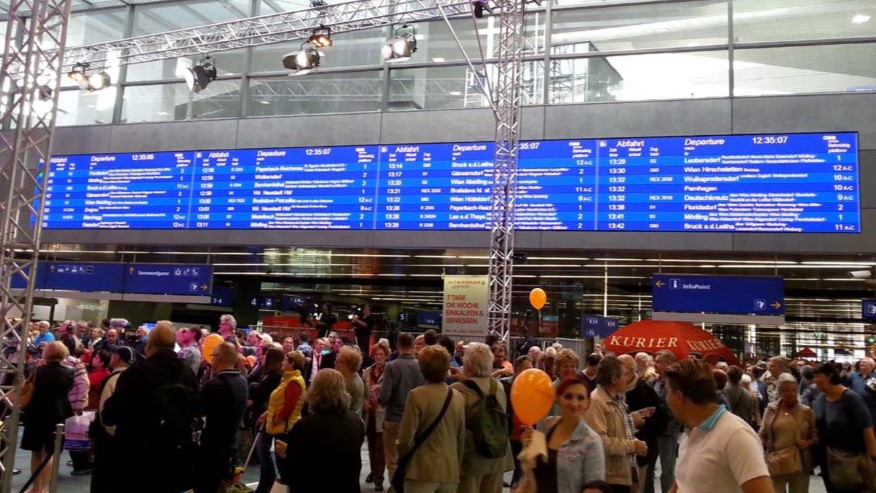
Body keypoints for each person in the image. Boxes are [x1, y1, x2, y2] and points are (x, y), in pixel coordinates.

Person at [101, 322, 200, 493]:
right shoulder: (187, 372)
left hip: (137, 454)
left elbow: (111, 414)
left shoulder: (137, 372)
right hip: (175, 453)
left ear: (149, 346)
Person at [665, 359, 772, 493]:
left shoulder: (736, 435)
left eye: (668, 391)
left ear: (678, 397)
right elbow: (682, 483)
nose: (666, 398)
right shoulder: (691, 432)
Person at [397, 345, 466, 493]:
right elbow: (460, 439)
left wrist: (403, 459)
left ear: (422, 368)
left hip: (421, 470)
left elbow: (405, 439)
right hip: (449, 471)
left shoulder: (416, 395)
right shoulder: (458, 396)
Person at [519, 375, 606, 493]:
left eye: (581, 398)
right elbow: (531, 471)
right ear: (558, 399)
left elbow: (595, 489)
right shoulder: (546, 428)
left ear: (588, 403)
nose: (574, 403)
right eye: (568, 396)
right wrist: (527, 448)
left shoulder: (592, 442)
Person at [285, 369, 365, 492]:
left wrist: (287, 452)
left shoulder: (304, 427)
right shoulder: (357, 422)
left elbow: (295, 471)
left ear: (315, 390)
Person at [451, 342, 514, 493]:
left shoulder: (457, 391)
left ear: (468, 365)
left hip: (470, 459)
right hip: (496, 453)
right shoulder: (497, 388)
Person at [585, 355, 647, 493]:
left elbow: (621, 433)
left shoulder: (618, 399)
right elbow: (600, 442)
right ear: (614, 379)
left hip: (623, 474)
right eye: (625, 374)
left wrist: (637, 443)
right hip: (609, 479)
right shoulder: (597, 402)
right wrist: (632, 446)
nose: (627, 378)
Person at [812, 362, 876, 493]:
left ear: (830, 376)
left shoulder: (851, 399)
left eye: (818, 376)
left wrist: (872, 460)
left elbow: (867, 429)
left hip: (850, 461)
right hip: (827, 460)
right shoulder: (820, 400)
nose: (815, 380)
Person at [21, 341, 74, 493]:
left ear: (46, 353)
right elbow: (68, 390)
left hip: (36, 414)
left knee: (36, 452)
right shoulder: (70, 371)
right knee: (49, 453)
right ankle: (44, 488)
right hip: (58, 414)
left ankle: (36, 487)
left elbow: (26, 389)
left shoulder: (37, 370)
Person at [197, 342, 248, 493]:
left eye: (213, 356)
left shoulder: (214, 385)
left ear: (219, 357)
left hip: (211, 447)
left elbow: (199, 411)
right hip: (230, 445)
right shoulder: (242, 381)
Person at [758, 373, 817, 493]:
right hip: (776, 462)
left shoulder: (806, 412)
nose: (791, 393)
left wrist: (807, 442)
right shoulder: (771, 410)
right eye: (786, 391)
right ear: (779, 392)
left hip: (800, 463)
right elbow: (762, 433)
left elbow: (816, 436)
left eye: (794, 390)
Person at [379, 332, 424, 481]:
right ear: (412, 346)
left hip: (393, 418)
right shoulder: (420, 366)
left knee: (392, 460)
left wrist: (377, 396)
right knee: (411, 458)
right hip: (415, 419)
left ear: (398, 346)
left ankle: (396, 487)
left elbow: (385, 397)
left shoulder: (391, 366)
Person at [260, 350, 307, 487]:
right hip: (281, 425)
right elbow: (279, 402)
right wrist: (268, 414)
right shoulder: (286, 379)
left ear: (292, 363)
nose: (282, 362)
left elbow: (289, 406)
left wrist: (277, 419)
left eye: (285, 360)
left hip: (286, 427)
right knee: (280, 462)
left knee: (284, 465)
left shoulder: (294, 381)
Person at [91, 346, 134, 493]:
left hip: (110, 437)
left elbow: (105, 410)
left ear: (118, 358)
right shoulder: (134, 377)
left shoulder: (114, 379)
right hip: (125, 435)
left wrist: (111, 432)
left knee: (105, 477)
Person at [248, 347, 284, 493]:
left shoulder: (275, 375)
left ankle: (268, 479)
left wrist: (254, 388)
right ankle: (266, 479)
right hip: (263, 412)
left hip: (265, 414)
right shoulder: (269, 374)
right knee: (263, 450)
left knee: (263, 450)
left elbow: (262, 392)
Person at [502, 355, 533, 489]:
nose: (529, 373)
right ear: (516, 370)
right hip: (506, 435)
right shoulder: (505, 385)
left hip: (523, 436)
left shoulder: (533, 387)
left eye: (531, 369)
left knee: (520, 472)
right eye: (526, 369)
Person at [651, 350, 679, 493]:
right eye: (655, 361)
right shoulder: (653, 381)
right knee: (649, 467)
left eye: (658, 361)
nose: (654, 364)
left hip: (667, 430)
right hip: (652, 429)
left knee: (667, 469)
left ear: (668, 364)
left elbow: (673, 408)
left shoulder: (673, 385)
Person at [363, 341, 390, 491]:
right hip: (369, 414)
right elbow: (362, 391)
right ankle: (373, 471)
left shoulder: (390, 371)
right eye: (376, 354)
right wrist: (363, 403)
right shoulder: (367, 371)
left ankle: (379, 478)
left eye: (381, 354)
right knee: (371, 446)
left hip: (383, 413)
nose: (378, 357)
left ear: (386, 356)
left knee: (381, 448)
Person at [336, 344, 365, 414]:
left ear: (349, 364)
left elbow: (340, 408)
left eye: (339, 361)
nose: (336, 363)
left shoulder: (350, 383)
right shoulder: (351, 378)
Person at [846, 357, 876, 423]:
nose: (861, 363)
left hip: (870, 408)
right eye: (861, 362)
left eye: (864, 362)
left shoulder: (875, 376)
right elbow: (844, 385)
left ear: (871, 365)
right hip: (855, 407)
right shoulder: (854, 376)